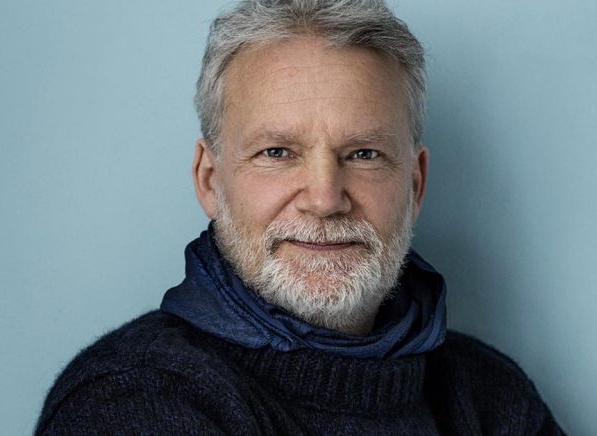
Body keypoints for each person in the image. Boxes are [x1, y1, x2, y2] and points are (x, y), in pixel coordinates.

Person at [36, 0, 564, 434]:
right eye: (277, 152)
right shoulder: (132, 403)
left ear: (414, 185)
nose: (325, 197)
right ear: (210, 181)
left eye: (363, 154)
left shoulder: (489, 396)